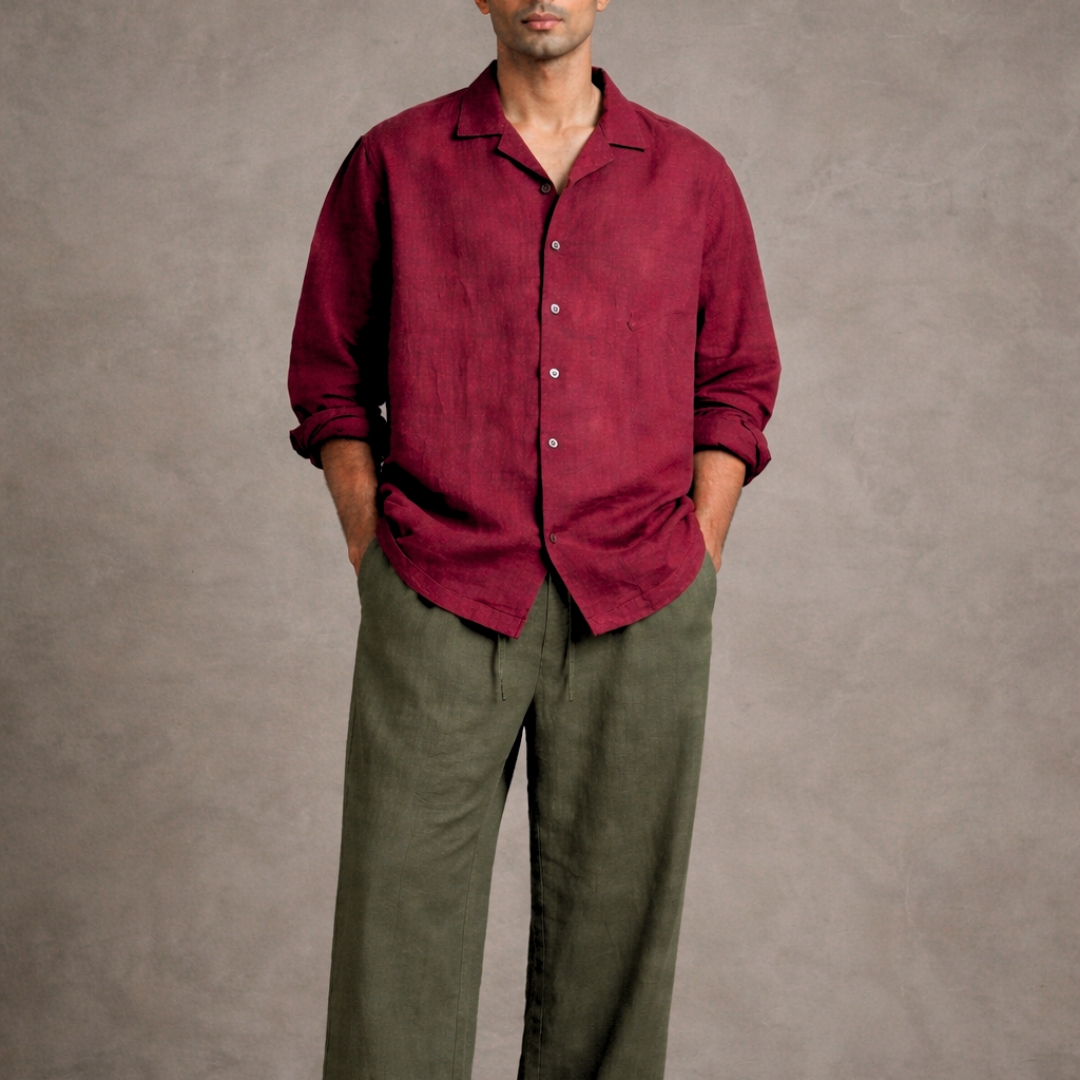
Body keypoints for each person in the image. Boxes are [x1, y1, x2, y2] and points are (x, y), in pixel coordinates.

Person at [288, 1, 780, 1076]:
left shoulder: (691, 178)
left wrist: (700, 547)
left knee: (615, 954)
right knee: (394, 946)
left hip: (640, 600)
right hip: (440, 590)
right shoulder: (394, 163)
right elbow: (330, 376)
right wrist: (375, 553)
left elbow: (738, 381)